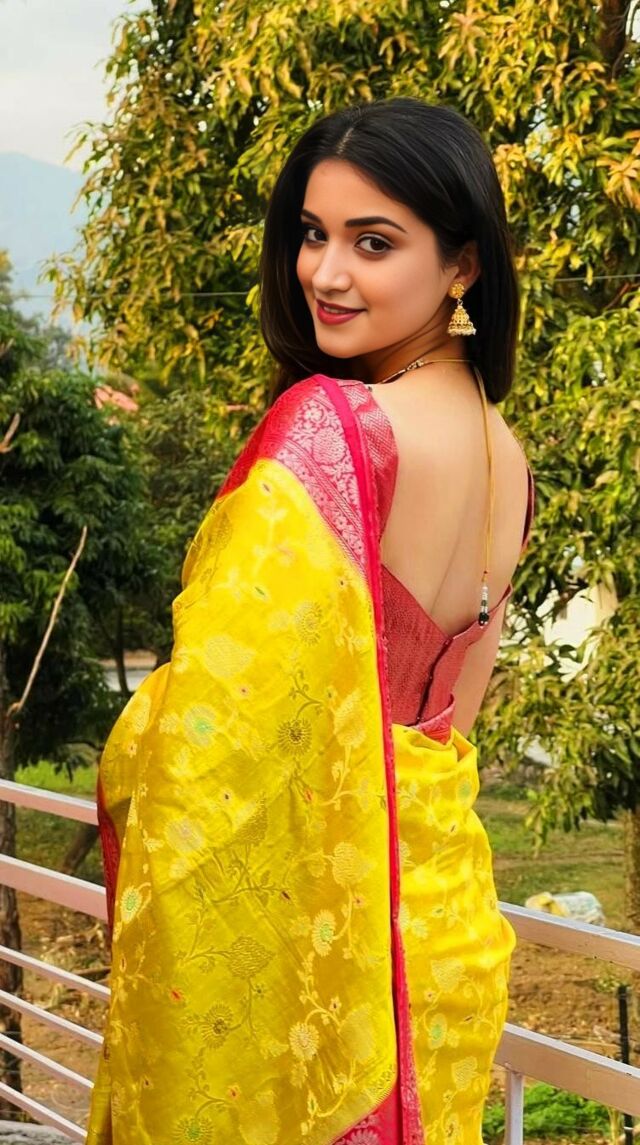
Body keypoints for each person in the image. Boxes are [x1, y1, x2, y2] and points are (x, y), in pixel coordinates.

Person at [88, 99, 534, 1145]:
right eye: (311, 233)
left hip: (330, 946)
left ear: (463, 264)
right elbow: (444, 730)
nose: (325, 273)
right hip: (440, 936)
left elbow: (213, 742)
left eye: (373, 243)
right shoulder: (504, 451)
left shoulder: (334, 430)